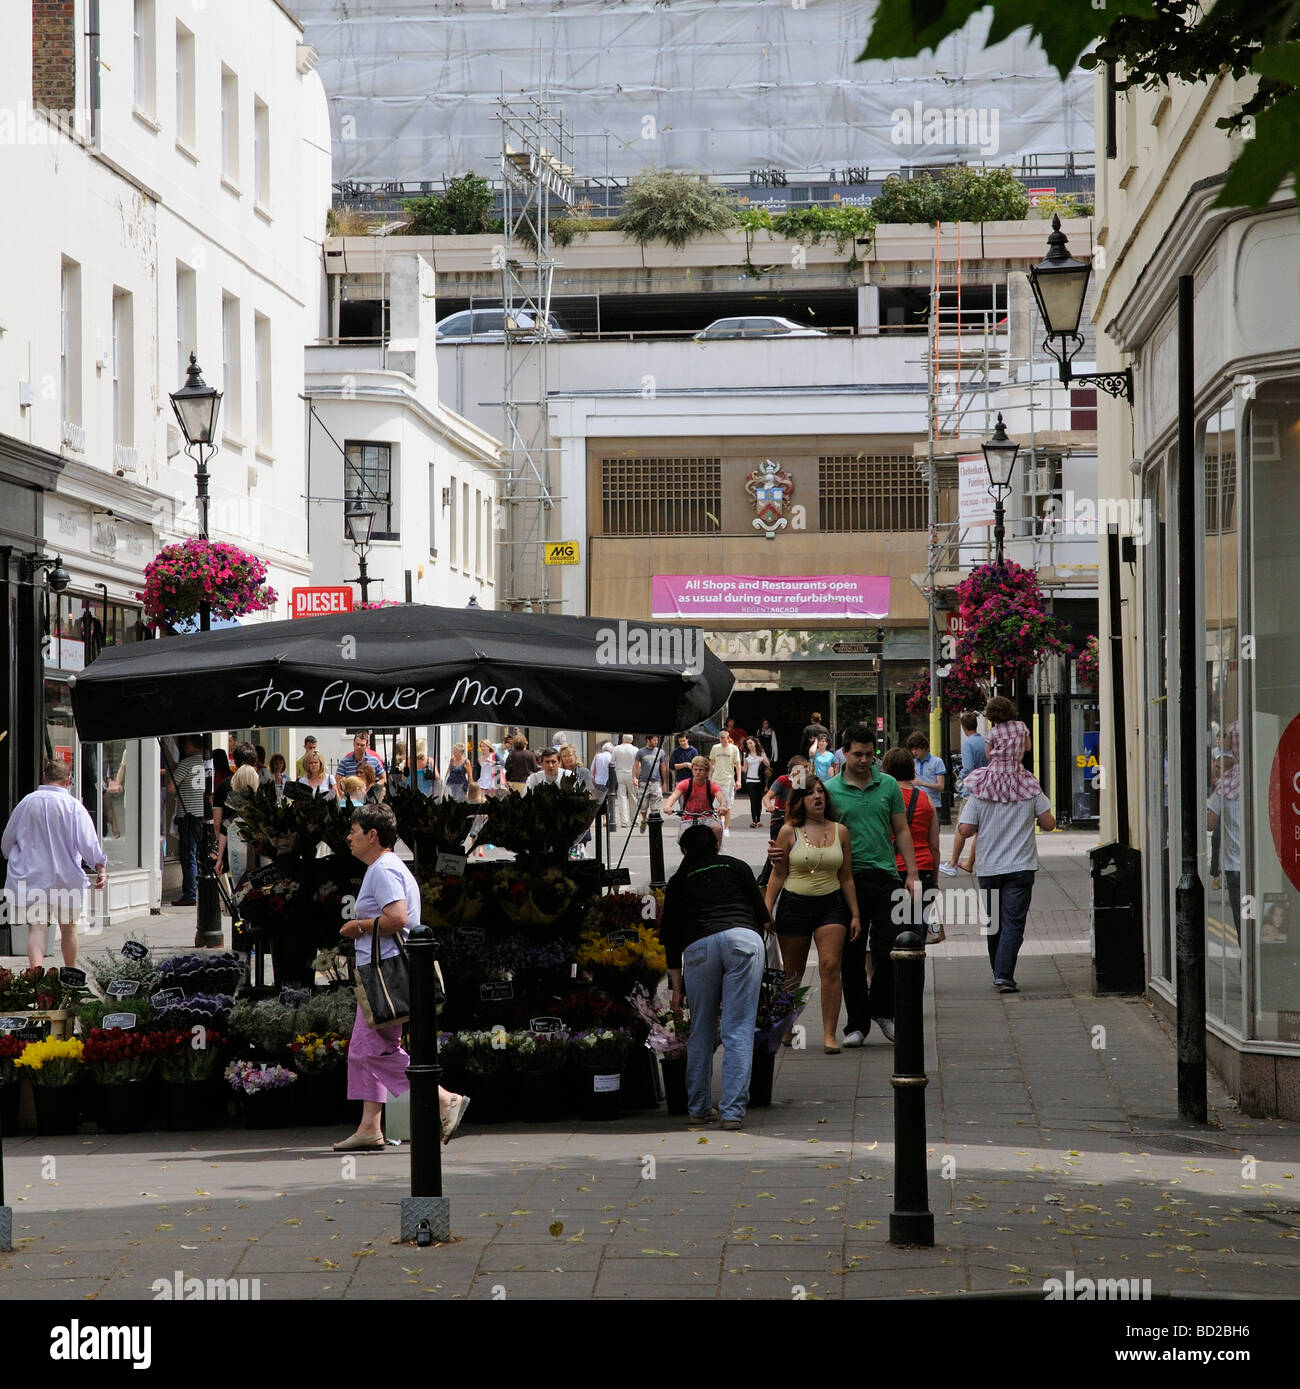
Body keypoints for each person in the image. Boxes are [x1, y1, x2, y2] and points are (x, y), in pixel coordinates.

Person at [772, 722, 919, 1046]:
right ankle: (856, 1025)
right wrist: (781, 847)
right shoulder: (831, 789)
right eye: (858, 754)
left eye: (870, 754)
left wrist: (912, 873)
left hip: (885, 875)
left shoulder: (889, 785)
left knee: (890, 948)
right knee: (850, 958)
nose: (865, 760)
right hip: (844, 881)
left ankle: (882, 1009)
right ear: (845, 752)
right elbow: (805, 820)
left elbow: (902, 830)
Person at [333, 803, 469, 1150]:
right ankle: (369, 1126)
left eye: (354, 831)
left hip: (387, 975)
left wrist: (357, 927)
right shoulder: (388, 866)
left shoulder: (382, 870)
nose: (349, 837)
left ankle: (442, 1099)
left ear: (372, 835)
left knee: (370, 1051)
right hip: (386, 973)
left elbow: (399, 918)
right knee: (369, 1048)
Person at [663, 823, 773, 1130]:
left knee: (701, 1028)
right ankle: (732, 1112)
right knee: (738, 1029)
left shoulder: (678, 880)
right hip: (743, 940)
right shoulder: (737, 866)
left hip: (699, 947)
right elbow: (763, 918)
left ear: (684, 850)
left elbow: (670, 937)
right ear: (716, 845)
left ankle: (698, 1108)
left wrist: (675, 987)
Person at [954, 718, 1056, 993]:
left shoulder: (981, 786)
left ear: (993, 749)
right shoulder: (1029, 785)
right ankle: (1003, 973)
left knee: (994, 921)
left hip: (988, 866)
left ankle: (999, 970)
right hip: (1021, 865)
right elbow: (1049, 824)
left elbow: (965, 830)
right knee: (1013, 922)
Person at [763, 779, 860, 1053]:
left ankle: (829, 1035)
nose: (817, 797)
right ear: (800, 800)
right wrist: (766, 909)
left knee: (831, 966)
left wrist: (855, 914)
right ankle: (786, 1028)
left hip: (832, 905)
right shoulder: (788, 832)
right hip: (794, 905)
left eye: (820, 792)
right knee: (792, 973)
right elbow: (778, 874)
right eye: (810, 793)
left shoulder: (840, 831)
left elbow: (846, 877)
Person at [2, 758, 106, 969]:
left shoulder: (27, 803)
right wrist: (100, 866)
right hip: (66, 879)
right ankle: (70, 976)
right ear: (68, 780)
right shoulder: (74, 807)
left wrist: (14, 857)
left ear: (44, 777)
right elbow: (88, 842)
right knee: (69, 929)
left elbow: (7, 841)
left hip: (33, 877)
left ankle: (36, 977)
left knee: (37, 929)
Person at [882, 747, 942, 945]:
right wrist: (934, 878)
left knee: (891, 931)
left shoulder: (884, 798)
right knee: (918, 929)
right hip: (922, 868)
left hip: (891, 870)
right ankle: (915, 974)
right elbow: (934, 845)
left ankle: (894, 975)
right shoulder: (926, 800)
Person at [941, 713, 988, 876]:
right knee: (979, 832)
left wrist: (960, 778)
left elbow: (967, 767)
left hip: (971, 791)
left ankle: (953, 862)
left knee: (961, 827)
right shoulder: (985, 741)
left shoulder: (968, 744)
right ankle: (970, 862)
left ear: (963, 727)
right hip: (986, 790)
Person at [167, 734, 206, 907]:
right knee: (197, 853)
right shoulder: (207, 763)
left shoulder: (186, 763)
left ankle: (190, 894)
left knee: (188, 854)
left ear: (191, 745)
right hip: (202, 814)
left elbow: (170, 788)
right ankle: (195, 890)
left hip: (188, 814)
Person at [215, 765, 261, 884]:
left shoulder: (233, 804)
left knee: (239, 888)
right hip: (258, 855)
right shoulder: (260, 804)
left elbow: (223, 831)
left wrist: (219, 858)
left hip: (235, 854)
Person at [663, 756, 724, 844]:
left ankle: (716, 849)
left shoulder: (711, 785)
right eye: (695, 769)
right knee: (682, 839)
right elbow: (674, 796)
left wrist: (722, 806)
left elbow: (721, 797)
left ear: (707, 772)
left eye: (701, 770)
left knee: (717, 828)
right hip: (688, 818)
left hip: (707, 817)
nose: (697, 772)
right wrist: (668, 806)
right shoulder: (685, 784)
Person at [708, 728, 742, 837]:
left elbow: (738, 766)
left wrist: (739, 780)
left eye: (726, 740)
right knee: (715, 805)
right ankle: (719, 824)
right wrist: (709, 777)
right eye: (722, 741)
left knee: (727, 806)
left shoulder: (734, 749)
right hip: (716, 780)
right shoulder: (715, 748)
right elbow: (711, 763)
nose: (724, 743)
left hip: (728, 781)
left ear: (728, 739)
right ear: (719, 740)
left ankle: (726, 828)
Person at [632, 735, 668, 831]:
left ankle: (654, 823)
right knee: (642, 805)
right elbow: (635, 766)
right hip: (644, 782)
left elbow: (663, 767)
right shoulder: (640, 752)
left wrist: (664, 782)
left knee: (656, 804)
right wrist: (635, 777)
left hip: (656, 781)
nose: (656, 742)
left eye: (657, 740)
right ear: (648, 740)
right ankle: (644, 819)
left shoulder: (660, 752)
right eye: (654, 740)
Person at [337, 732, 387, 798]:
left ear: (367, 745)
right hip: (352, 799)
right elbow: (338, 782)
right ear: (353, 744)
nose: (359, 747)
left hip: (370, 798)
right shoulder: (345, 762)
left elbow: (384, 778)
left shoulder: (374, 760)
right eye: (357, 744)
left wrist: (374, 787)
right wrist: (344, 796)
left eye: (362, 745)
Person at [907, 732, 946, 806]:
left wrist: (922, 783)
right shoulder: (912, 762)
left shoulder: (937, 762)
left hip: (933, 804)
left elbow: (941, 786)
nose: (914, 752)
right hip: (916, 805)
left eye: (916, 749)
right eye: (912, 749)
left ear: (924, 747)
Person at [741, 736, 771, 828]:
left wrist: (762, 758)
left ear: (755, 743)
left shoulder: (761, 752)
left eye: (750, 743)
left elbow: (768, 764)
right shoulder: (746, 754)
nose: (749, 745)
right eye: (747, 744)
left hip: (760, 780)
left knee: (758, 801)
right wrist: (737, 764)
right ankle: (754, 820)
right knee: (753, 801)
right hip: (750, 780)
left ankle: (758, 820)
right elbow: (745, 769)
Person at [611, 734, 640, 830]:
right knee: (633, 797)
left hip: (620, 774)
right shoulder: (636, 749)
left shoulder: (617, 748)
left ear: (623, 739)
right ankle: (635, 820)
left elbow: (612, 761)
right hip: (632, 774)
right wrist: (637, 776)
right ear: (632, 740)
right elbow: (638, 765)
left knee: (622, 798)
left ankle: (624, 821)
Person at [591, 741, 616, 826]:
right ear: (611, 750)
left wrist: (593, 779)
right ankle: (608, 819)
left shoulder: (597, 756)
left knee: (599, 801)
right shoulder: (611, 757)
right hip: (608, 782)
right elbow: (613, 770)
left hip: (598, 781)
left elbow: (592, 768)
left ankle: (603, 819)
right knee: (608, 801)